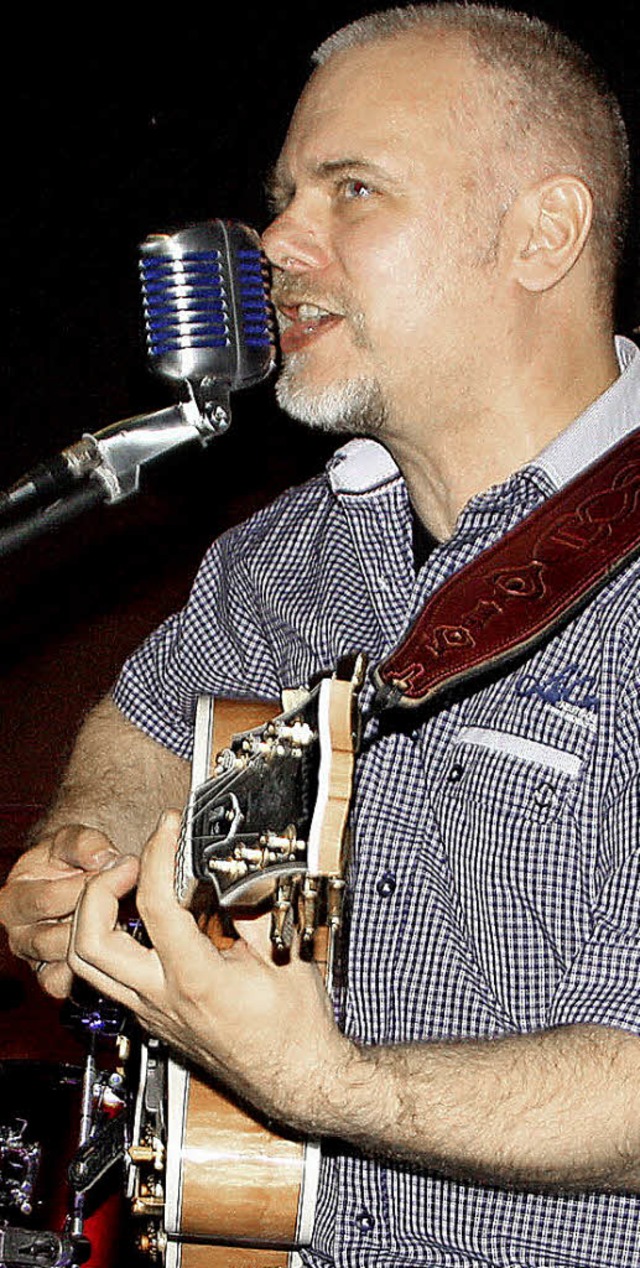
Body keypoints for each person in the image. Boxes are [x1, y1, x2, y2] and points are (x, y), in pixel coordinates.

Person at [2, 4, 640, 1264]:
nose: (279, 241)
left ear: (542, 232)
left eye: (352, 190)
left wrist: (333, 1085)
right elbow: (138, 737)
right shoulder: (289, 550)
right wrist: (83, 844)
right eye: (285, 196)